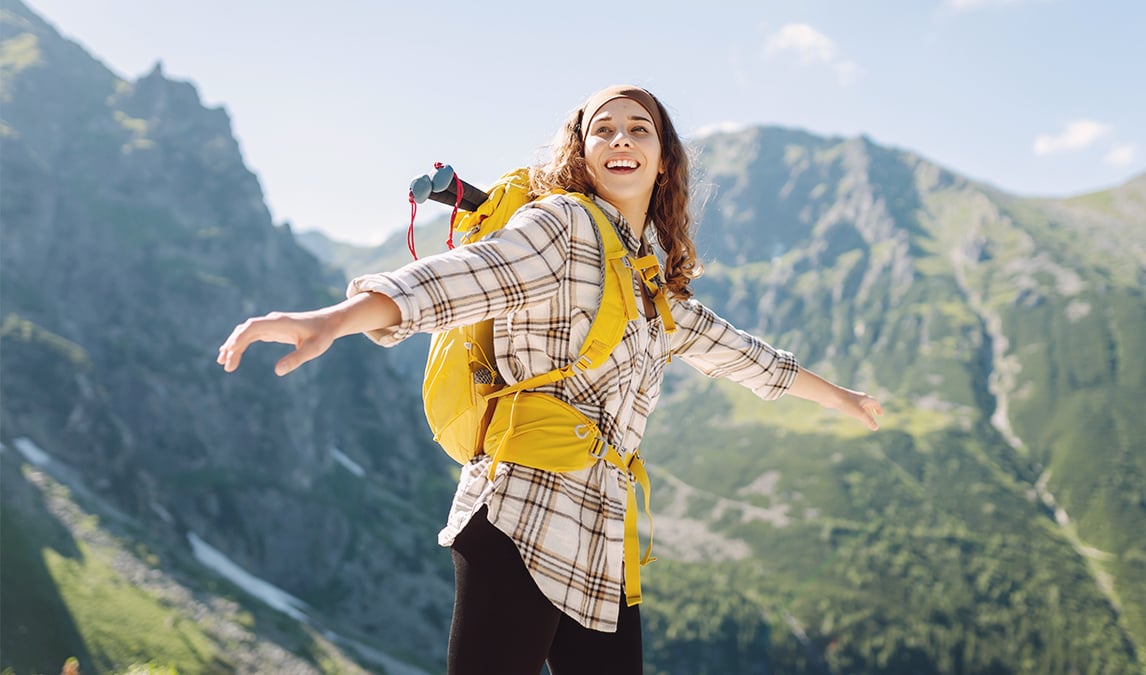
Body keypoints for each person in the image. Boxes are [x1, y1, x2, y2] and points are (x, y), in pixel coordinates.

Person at [217, 84, 883, 675]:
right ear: (583, 152)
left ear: (663, 160)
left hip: (603, 532)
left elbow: (747, 356)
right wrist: (335, 319)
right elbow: (460, 278)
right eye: (603, 128)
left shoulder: (656, 287)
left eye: (639, 128)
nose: (620, 137)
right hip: (521, 509)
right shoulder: (560, 224)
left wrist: (841, 397)